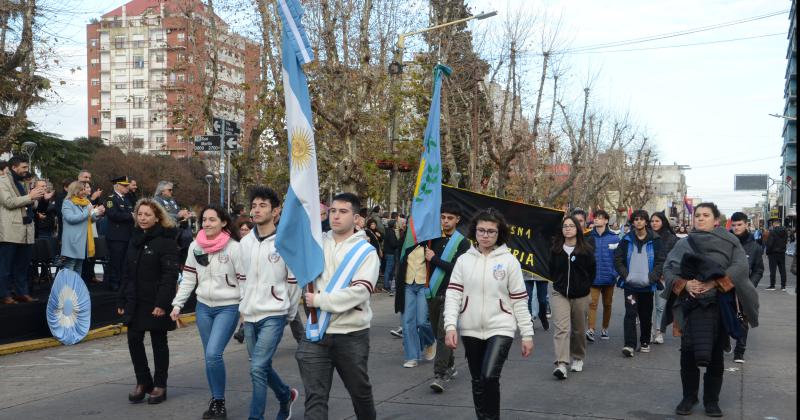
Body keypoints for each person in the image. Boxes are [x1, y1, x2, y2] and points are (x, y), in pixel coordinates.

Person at [662, 202, 758, 417]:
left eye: (706, 215)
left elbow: (741, 268)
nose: (701, 218)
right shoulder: (684, 243)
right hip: (689, 307)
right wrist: (684, 285)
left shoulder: (730, 241)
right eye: (698, 215)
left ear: (716, 220)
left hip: (719, 307)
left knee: (715, 356)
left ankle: (711, 401)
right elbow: (668, 268)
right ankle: (689, 397)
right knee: (687, 354)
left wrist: (715, 283)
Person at [444, 208, 534, 418]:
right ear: (474, 231)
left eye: (491, 231)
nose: (485, 235)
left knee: (489, 376)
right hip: (470, 328)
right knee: (477, 380)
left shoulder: (509, 261)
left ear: (499, 234)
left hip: (501, 327)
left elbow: (519, 300)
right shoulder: (464, 260)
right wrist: (450, 326)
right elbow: (453, 295)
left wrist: (527, 334)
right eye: (481, 230)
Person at [297, 192, 379, 420]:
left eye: (343, 212)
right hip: (317, 334)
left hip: (351, 334)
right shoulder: (316, 243)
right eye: (332, 211)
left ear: (356, 218)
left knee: (360, 393)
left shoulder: (366, 252)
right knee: (315, 398)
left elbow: (360, 292)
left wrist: (320, 301)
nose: (336, 216)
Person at [170, 205, 244, 418]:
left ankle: (219, 402)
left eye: (212, 220)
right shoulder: (196, 246)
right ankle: (216, 399)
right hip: (204, 307)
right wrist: (178, 304)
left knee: (213, 354)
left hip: (228, 307)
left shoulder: (234, 248)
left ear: (223, 222)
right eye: (204, 220)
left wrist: (245, 309)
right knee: (209, 357)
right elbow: (189, 278)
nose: (207, 224)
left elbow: (244, 280)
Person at [238, 186, 300, 420]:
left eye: (262, 205)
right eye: (254, 205)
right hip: (250, 314)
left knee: (256, 368)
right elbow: (242, 279)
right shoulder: (245, 242)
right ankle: (285, 396)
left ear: (276, 211)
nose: (256, 210)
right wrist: (242, 308)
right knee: (260, 367)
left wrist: (290, 312)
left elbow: (293, 281)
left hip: (275, 313)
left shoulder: (284, 242)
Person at [117, 198, 179, 405]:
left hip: (156, 301)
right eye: (140, 214)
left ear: (157, 218)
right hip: (135, 301)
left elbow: (169, 276)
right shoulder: (134, 239)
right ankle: (143, 382)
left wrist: (162, 304)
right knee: (134, 340)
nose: (142, 218)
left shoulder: (166, 241)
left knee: (158, 342)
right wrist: (122, 299)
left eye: (147, 215)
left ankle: (160, 385)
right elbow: (126, 273)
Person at [426, 202, 471, 392]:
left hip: (451, 294)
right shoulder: (432, 238)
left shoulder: (463, 243)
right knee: (439, 335)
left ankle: (440, 374)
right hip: (433, 293)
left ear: (457, 220)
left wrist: (434, 259)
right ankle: (451, 365)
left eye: (449, 218)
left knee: (444, 332)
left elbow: (457, 269)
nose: (445, 221)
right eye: (443, 217)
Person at [549, 215, 596, 379]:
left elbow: (592, 271)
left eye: (571, 226)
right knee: (562, 328)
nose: (567, 228)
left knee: (579, 329)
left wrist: (584, 286)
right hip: (560, 293)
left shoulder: (586, 250)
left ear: (577, 229)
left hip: (581, 294)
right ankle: (561, 364)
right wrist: (558, 282)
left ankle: (578, 357)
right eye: (565, 226)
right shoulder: (556, 248)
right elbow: (551, 269)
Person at [614, 210, 664, 357]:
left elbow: (661, 260)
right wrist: (625, 275)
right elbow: (618, 259)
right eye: (636, 219)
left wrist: (652, 277)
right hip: (630, 286)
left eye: (642, 219)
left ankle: (644, 341)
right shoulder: (626, 239)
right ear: (633, 222)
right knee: (630, 313)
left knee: (645, 315)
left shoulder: (655, 239)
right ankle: (629, 345)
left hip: (648, 286)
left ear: (646, 222)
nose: (639, 222)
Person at [0, 156, 45, 304]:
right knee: (5, 266)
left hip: (27, 230)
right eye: (24, 167)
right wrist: (30, 196)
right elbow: (8, 202)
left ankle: (21, 293)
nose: (27, 170)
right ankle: (4, 295)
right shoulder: (2, 182)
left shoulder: (24, 183)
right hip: (10, 231)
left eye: (27, 167)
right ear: (14, 167)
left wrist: (36, 198)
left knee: (22, 265)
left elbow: (31, 204)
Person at [394, 231, 437, 369]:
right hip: (407, 286)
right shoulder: (405, 243)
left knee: (423, 321)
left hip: (423, 286)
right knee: (407, 322)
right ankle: (412, 356)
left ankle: (430, 340)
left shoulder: (431, 242)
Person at [728, 212, 763, 363]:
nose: (736, 228)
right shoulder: (726, 242)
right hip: (725, 288)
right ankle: (724, 342)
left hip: (744, 290)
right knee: (723, 317)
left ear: (746, 225)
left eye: (739, 224)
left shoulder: (754, 246)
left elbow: (758, 269)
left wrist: (750, 285)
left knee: (743, 320)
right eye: (734, 225)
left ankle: (739, 351)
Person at [586, 209, 619, 342]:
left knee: (607, 305)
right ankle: (591, 330)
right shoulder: (588, 237)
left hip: (609, 278)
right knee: (592, 304)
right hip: (593, 278)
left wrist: (614, 273)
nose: (596, 220)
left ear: (606, 220)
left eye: (600, 218)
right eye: (595, 217)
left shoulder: (614, 237)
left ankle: (605, 328)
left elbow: (618, 259)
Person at [60, 181, 105, 274]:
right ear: (75, 191)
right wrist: (87, 213)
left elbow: (90, 219)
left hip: (83, 240)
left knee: (79, 266)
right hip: (72, 241)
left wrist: (98, 213)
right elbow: (70, 218)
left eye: (84, 189)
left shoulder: (86, 202)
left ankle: (76, 288)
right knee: (70, 265)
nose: (84, 191)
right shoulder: (67, 202)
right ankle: (68, 288)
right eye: (82, 189)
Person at [651, 212, 678, 345]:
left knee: (660, 306)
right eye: (652, 221)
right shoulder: (646, 236)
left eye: (657, 221)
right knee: (646, 306)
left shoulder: (672, 238)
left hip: (663, 277)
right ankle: (649, 331)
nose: (654, 223)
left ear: (663, 222)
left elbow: (674, 259)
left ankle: (659, 332)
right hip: (647, 276)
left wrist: (666, 272)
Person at [105, 176, 135, 291]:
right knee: (116, 261)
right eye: (124, 185)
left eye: (127, 185)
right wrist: (130, 216)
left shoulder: (126, 199)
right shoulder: (110, 199)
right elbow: (113, 214)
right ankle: (114, 282)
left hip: (127, 235)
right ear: (117, 186)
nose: (127, 187)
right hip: (116, 236)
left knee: (124, 261)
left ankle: (122, 282)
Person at [381, 213, 402, 296]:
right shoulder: (391, 233)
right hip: (390, 253)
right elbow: (393, 244)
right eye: (396, 224)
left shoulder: (388, 231)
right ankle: (386, 286)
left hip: (388, 252)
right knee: (388, 270)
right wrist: (399, 242)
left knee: (389, 269)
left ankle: (387, 285)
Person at [764, 217, 788, 291]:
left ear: (774, 224)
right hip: (782, 253)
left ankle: (772, 285)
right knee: (782, 269)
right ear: (779, 223)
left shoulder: (772, 232)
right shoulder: (785, 231)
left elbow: (770, 244)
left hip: (773, 253)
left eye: (772, 223)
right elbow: (786, 241)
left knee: (773, 270)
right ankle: (783, 286)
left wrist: (767, 252)